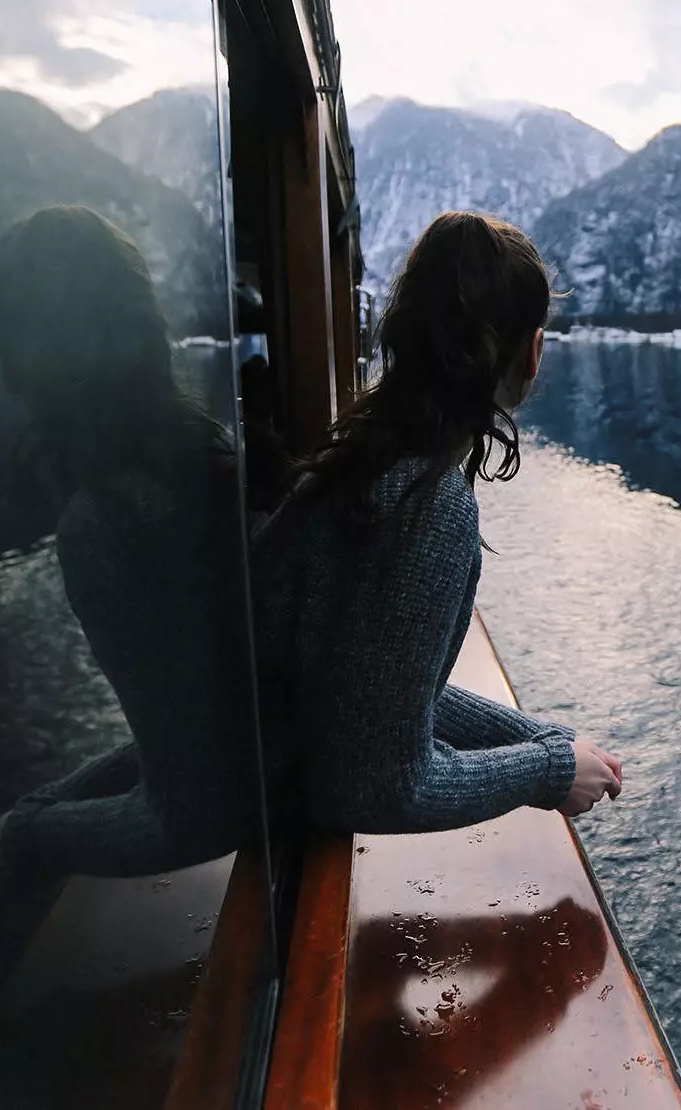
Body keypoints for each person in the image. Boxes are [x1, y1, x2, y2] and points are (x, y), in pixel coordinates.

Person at [253, 210, 623, 833]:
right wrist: (548, 770)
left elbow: (376, 690)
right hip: (272, 826)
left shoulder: (369, 463)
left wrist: (544, 740)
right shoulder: (427, 507)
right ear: (531, 353)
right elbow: (378, 791)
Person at [0, 206, 263, 889]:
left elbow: (195, 809)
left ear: (23, 353)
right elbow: (202, 723)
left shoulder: (103, 526)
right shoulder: (208, 453)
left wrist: (25, 835)